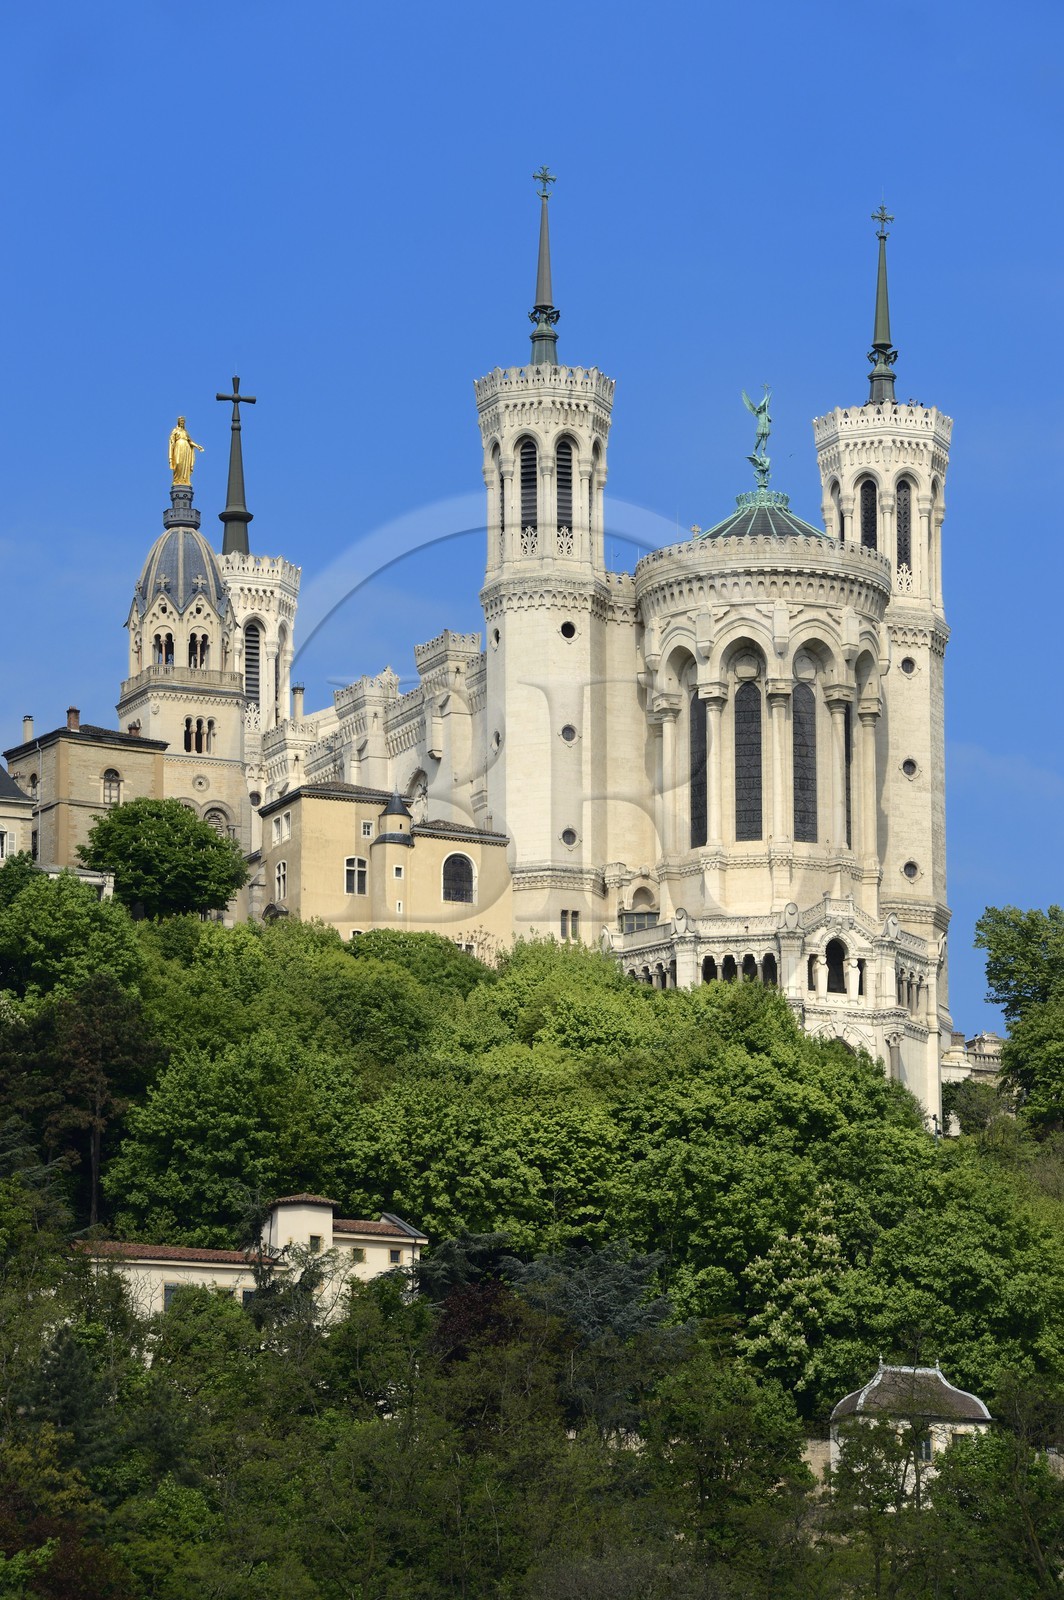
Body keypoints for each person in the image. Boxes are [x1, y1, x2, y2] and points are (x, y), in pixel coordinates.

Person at [168, 416, 204, 485]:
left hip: (186, 448)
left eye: (183, 421)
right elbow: (172, 441)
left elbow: (190, 441)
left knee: (185, 465)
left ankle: (185, 480)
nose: (182, 422)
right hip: (178, 447)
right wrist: (171, 455)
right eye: (181, 421)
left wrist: (197, 446)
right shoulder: (175, 430)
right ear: (178, 422)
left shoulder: (185, 432)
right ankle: (177, 480)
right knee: (178, 463)